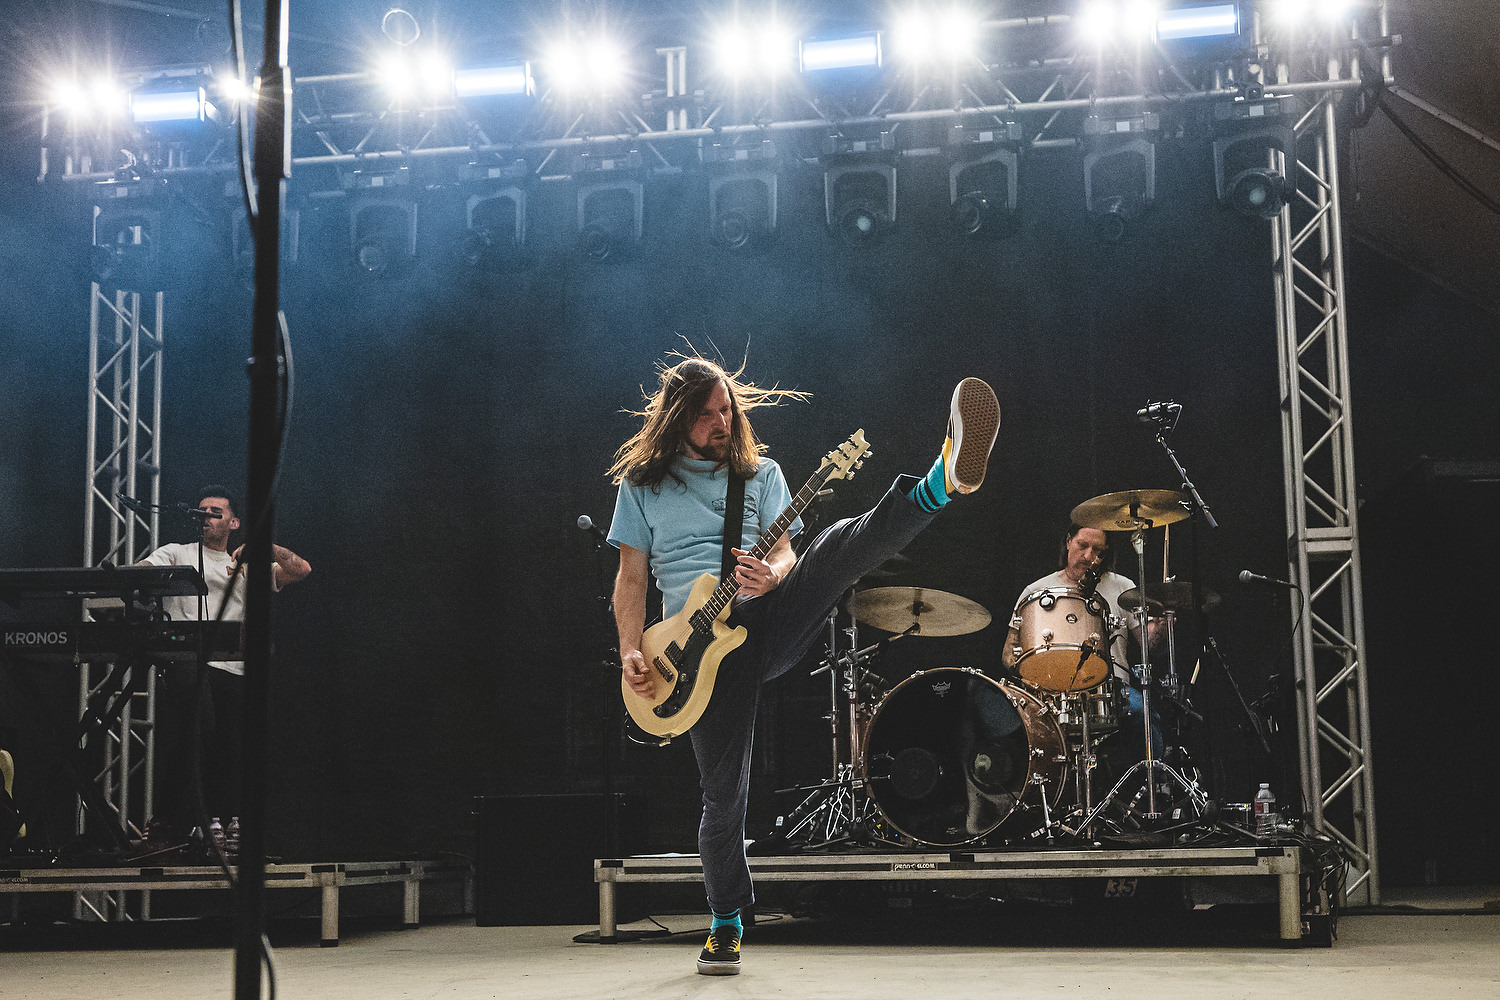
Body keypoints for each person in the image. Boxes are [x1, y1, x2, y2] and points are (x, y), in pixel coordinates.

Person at [607, 357, 1000, 976]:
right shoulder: (641, 485)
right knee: (723, 796)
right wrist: (632, 649)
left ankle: (938, 482)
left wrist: (771, 574)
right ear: (678, 418)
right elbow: (630, 578)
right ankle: (726, 922)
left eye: (727, 409)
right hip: (692, 660)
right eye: (706, 414)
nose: (721, 421)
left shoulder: (760, 474)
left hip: (764, 621)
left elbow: (787, 552)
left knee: (834, 545)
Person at [138, 486, 310, 851]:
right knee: (201, 730)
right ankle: (176, 819)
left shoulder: (248, 564)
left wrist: (263, 547)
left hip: (234, 665)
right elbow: (139, 574)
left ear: (233, 522)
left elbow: (301, 570)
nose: (206, 517)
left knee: (231, 744)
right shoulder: (178, 552)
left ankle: (220, 820)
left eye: (215, 512)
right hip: (190, 659)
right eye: (201, 511)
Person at [1001, 523, 1161, 764]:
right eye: (1082, 546)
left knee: (1144, 715)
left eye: (1098, 550)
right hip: (1053, 694)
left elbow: (1150, 644)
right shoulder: (1036, 590)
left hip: (1114, 691)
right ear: (1068, 542)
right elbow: (1008, 654)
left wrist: (1161, 626)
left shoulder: (1123, 587)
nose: (1089, 556)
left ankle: (1151, 783)